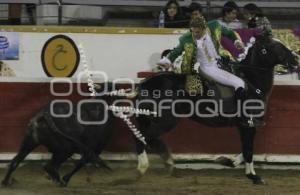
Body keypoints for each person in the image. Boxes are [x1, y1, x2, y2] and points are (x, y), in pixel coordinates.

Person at [158, 17, 263, 127]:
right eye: (193, 31)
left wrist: (236, 40)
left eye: (198, 32)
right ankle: (244, 118)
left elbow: (229, 32)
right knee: (239, 83)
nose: (195, 34)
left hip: (221, 60)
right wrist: (167, 60)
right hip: (208, 67)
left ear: (204, 28)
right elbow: (176, 51)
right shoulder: (187, 38)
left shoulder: (214, 26)